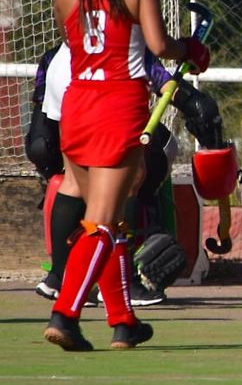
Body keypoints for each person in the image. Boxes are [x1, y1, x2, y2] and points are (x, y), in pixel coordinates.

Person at [43, 0, 211, 351]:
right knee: (101, 222)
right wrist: (191, 50)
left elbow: (79, 45)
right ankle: (66, 314)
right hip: (119, 108)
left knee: (111, 220)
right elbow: (159, 46)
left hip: (76, 108)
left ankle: (123, 321)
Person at [28, 41, 223, 306]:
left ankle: (61, 281)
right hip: (110, 74)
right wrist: (185, 50)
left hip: (70, 68)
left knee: (75, 181)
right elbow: (156, 42)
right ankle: (123, 286)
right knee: (130, 178)